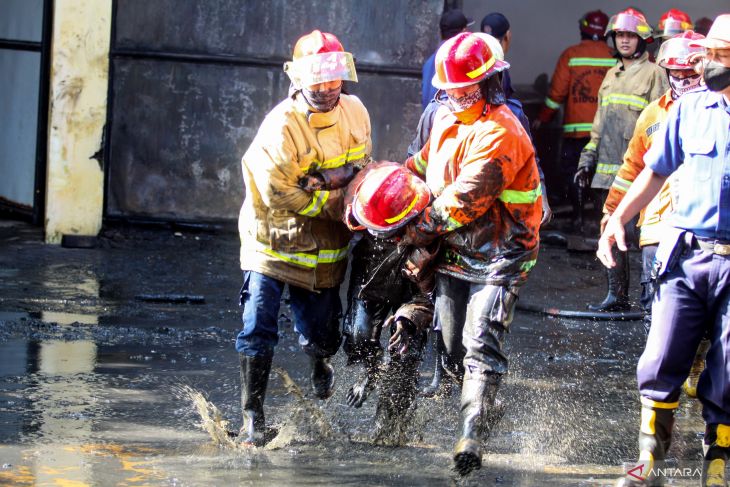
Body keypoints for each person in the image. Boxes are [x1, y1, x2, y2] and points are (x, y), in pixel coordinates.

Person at [401, 32, 542, 475]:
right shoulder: (444, 119)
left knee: (480, 341)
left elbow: (461, 201)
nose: (458, 97)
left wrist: (411, 232)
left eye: (467, 90)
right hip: (455, 252)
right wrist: (388, 190)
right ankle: (483, 406)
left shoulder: (502, 132)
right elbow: (421, 167)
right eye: (451, 90)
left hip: (502, 254)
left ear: (490, 84)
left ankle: (471, 437)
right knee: (450, 347)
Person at [598, 15, 730, 486]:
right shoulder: (690, 111)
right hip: (687, 255)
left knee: (728, 368)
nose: (708, 64)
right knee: (660, 357)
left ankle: (717, 462)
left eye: (720, 55)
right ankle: (648, 460)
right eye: (708, 54)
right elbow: (652, 171)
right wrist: (617, 219)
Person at [234, 30, 371, 446]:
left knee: (323, 336)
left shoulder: (356, 112)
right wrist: (330, 203)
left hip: (325, 250)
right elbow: (279, 192)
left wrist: (335, 183)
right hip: (272, 243)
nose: (328, 88)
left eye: (334, 79)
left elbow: (362, 167)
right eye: (318, 79)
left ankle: (319, 363)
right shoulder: (281, 127)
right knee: (257, 324)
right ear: (299, 79)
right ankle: (251, 417)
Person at [601, 31, 708, 397]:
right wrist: (611, 215)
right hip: (657, 228)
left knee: (702, 309)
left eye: (688, 74)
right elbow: (631, 170)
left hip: (705, 229)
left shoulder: (719, 112)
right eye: (674, 74)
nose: (681, 81)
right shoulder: (653, 114)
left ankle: (697, 363)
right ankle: (662, 383)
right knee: (654, 307)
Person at [574, 8, 668, 312]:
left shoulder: (655, 74)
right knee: (611, 230)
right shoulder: (611, 75)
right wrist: (586, 159)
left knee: (645, 235)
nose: (625, 41)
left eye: (631, 35)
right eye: (620, 35)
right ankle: (617, 296)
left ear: (643, 40)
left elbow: (663, 121)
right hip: (607, 171)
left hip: (642, 172)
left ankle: (654, 298)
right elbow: (598, 125)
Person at [341, 162, 435, 443]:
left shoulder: (431, 232)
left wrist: (408, 320)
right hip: (372, 277)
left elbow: (428, 294)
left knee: (404, 356)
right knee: (358, 335)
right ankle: (370, 373)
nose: (377, 235)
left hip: (413, 284)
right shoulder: (364, 192)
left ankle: (391, 429)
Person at [533, 10, 614, 224]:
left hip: (577, 131)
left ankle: (578, 220)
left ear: (583, 29)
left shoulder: (571, 55)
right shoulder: (614, 57)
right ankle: (599, 221)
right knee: (602, 175)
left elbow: (556, 95)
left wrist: (543, 117)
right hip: (606, 132)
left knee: (576, 173)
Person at [422, 9, 473, 110]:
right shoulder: (458, 61)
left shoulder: (429, 62)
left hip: (432, 121)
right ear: (463, 32)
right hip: (448, 122)